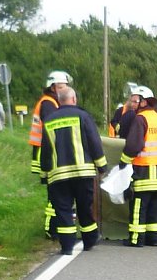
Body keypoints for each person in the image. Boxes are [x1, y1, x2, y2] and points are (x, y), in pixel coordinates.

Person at [40, 86, 107, 255]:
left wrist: (44, 174)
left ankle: (67, 246)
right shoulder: (82, 116)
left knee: (63, 210)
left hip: (58, 175)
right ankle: (90, 239)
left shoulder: (49, 120)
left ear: (59, 101)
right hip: (82, 172)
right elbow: (94, 142)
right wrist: (102, 166)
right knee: (85, 207)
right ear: (74, 99)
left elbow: (45, 150)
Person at [119, 86, 157, 247]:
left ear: (143, 102)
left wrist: (123, 161)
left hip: (145, 171)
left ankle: (136, 239)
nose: (133, 104)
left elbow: (134, 145)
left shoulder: (141, 119)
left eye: (136, 100)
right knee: (154, 208)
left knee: (138, 207)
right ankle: (153, 238)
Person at [30, 70, 73, 237]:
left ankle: (55, 227)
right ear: (53, 87)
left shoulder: (50, 102)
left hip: (45, 152)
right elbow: (51, 129)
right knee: (54, 192)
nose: (64, 90)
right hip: (46, 153)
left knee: (56, 191)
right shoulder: (48, 104)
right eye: (62, 87)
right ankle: (52, 229)